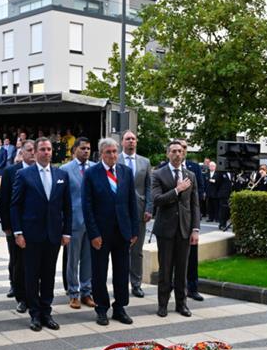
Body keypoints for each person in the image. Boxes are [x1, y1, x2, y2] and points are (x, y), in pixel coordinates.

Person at [11, 137, 71, 331]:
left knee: (48, 274)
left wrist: (67, 232)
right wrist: (18, 232)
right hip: (31, 234)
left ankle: (46, 311)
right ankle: (35, 314)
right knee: (31, 275)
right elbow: (15, 205)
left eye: (49, 149)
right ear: (35, 152)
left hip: (53, 234)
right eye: (43, 149)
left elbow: (67, 207)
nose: (47, 153)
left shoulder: (61, 175)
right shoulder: (24, 174)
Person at [82, 137, 139, 326]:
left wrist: (134, 230)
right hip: (101, 233)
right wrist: (93, 234)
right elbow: (87, 206)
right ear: (101, 154)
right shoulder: (91, 174)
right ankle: (101, 308)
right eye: (108, 152)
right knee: (99, 272)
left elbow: (132, 203)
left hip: (122, 232)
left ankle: (120, 307)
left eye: (115, 151)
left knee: (122, 272)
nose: (113, 155)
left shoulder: (125, 172)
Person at [152, 141, 200, 318]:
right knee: (165, 270)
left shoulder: (190, 175)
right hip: (165, 229)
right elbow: (157, 200)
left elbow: (195, 204)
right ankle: (162, 304)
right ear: (167, 154)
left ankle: (182, 304)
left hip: (184, 229)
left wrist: (195, 229)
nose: (177, 154)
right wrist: (177, 190)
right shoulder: (158, 174)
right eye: (173, 151)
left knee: (182, 269)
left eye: (180, 151)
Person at [0, 140, 35, 313]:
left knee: (34, 262)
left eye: (35, 150)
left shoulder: (44, 171)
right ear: (22, 152)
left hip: (36, 225)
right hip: (16, 225)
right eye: (29, 150)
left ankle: (33, 294)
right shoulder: (11, 171)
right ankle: (20, 295)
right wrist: (7, 225)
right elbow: (4, 200)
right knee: (17, 261)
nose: (33, 153)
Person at [60, 137, 95, 309]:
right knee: (72, 260)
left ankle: (86, 292)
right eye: (83, 148)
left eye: (88, 148)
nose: (86, 151)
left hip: (92, 222)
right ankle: (73, 293)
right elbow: (61, 198)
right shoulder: (65, 170)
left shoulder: (95, 167)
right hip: (74, 221)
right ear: (74, 150)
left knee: (88, 260)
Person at [120, 130, 153, 298]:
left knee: (137, 251)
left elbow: (149, 187)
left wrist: (149, 208)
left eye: (133, 139)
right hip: (119, 210)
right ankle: (120, 283)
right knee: (120, 249)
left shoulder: (145, 162)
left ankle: (136, 284)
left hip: (139, 210)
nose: (131, 141)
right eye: (128, 139)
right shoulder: (115, 159)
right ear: (122, 142)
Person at [179, 140, 206, 302]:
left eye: (184, 148)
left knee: (192, 256)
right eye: (178, 148)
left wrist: (195, 224)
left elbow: (200, 191)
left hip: (189, 219)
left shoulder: (194, 168)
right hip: (172, 220)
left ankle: (192, 287)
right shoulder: (163, 168)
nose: (181, 151)